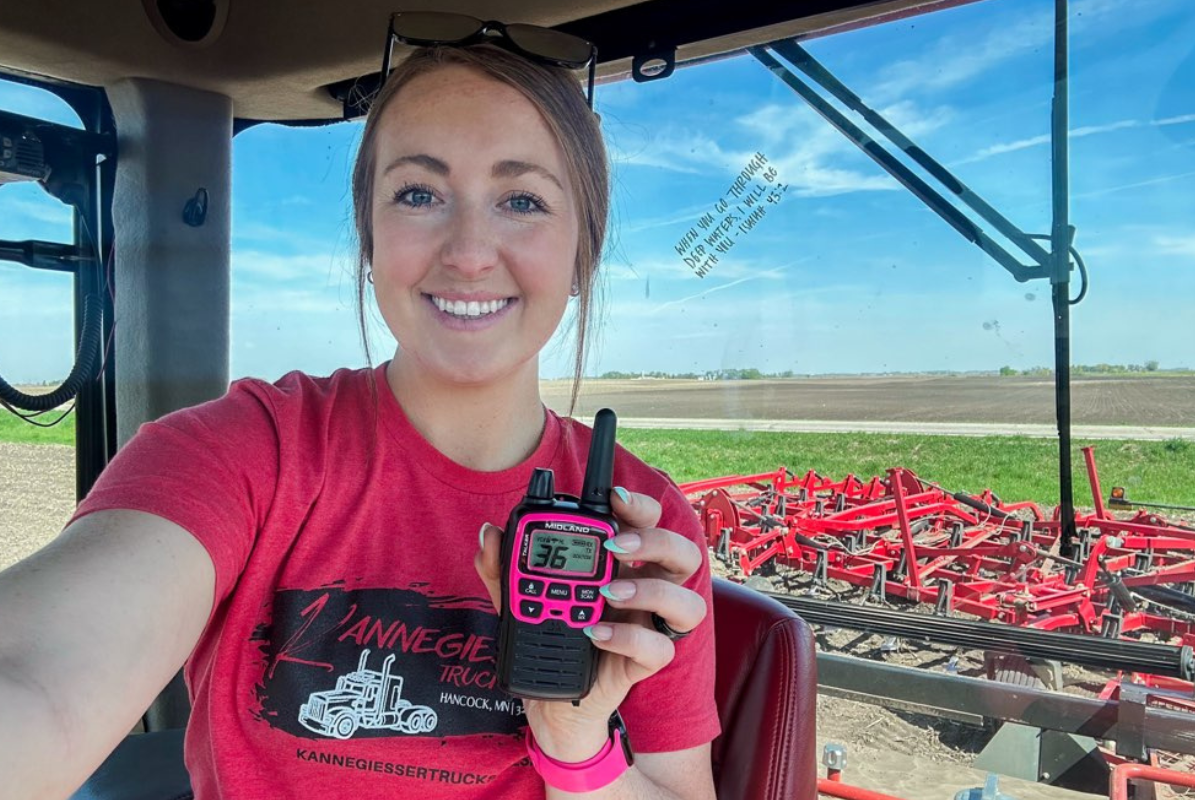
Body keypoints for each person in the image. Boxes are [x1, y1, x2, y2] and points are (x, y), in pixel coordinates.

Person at [0, 27, 720, 800]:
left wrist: (575, 743)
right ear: (370, 242)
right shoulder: (243, 451)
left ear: (583, 253)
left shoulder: (645, 534)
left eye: (522, 200)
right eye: (419, 193)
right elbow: (35, 681)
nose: (470, 251)